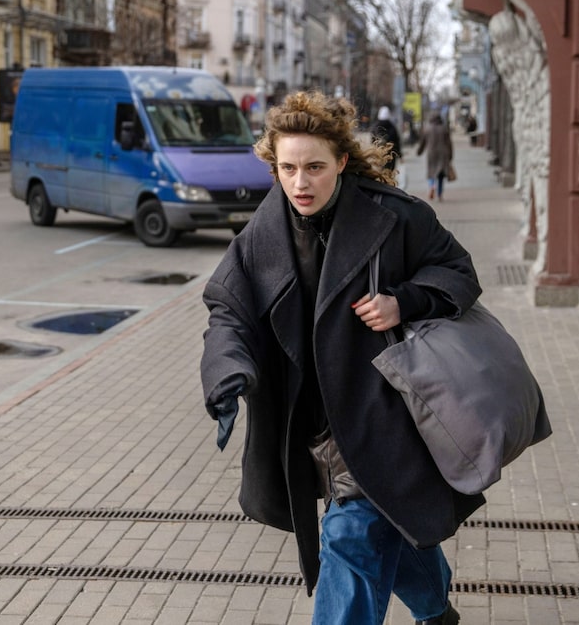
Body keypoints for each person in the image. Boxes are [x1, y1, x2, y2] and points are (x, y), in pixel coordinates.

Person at [200, 91, 482, 625]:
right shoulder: (262, 234)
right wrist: (228, 372)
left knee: (351, 537)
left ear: (342, 162)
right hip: (310, 426)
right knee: (391, 524)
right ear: (273, 166)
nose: (300, 183)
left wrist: (405, 301)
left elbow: (459, 273)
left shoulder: (395, 217)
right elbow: (228, 311)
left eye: (314, 167)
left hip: (382, 416)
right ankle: (438, 611)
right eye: (287, 168)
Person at [416, 113, 453, 201]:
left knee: (431, 173)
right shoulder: (444, 129)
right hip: (443, 154)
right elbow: (449, 143)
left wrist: (419, 152)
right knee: (441, 175)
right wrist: (450, 155)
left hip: (431, 154)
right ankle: (439, 194)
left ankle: (432, 186)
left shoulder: (427, 129)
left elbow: (423, 142)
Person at [371, 105, 401, 171]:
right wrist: (400, 155)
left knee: (379, 172)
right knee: (389, 172)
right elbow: (397, 141)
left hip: (379, 154)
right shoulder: (392, 127)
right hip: (391, 155)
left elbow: (372, 141)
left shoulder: (375, 127)